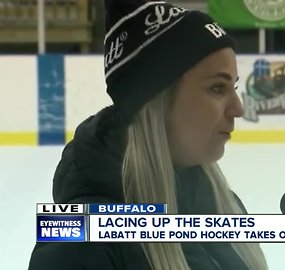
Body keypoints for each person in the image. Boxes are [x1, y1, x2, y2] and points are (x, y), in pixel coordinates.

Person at [28, 1, 267, 269]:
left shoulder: (223, 203)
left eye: (233, 87)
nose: (238, 108)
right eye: (217, 88)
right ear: (156, 102)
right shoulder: (74, 244)